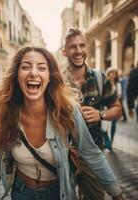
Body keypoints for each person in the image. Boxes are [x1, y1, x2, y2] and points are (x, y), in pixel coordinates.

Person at [0, 46, 123, 200]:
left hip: (58, 193)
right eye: (25, 67)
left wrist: (116, 193)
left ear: (50, 76)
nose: (33, 72)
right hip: (21, 192)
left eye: (41, 68)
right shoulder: (7, 110)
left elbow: (91, 153)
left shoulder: (67, 109)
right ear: (16, 76)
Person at [62, 28, 122, 199]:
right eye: (73, 47)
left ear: (87, 48)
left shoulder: (99, 78)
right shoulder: (56, 81)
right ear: (64, 52)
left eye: (82, 45)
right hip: (63, 156)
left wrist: (100, 114)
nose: (78, 51)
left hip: (93, 156)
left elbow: (117, 109)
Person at [106, 67, 122, 148]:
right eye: (111, 73)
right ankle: (106, 141)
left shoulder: (118, 84)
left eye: (114, 74)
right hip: (105, 107)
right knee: (105, 125)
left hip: (114, 106)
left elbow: (119, 95)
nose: (113, 75)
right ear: (108, 74)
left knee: (113, 125)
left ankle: (111, 142)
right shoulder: (105, 82)